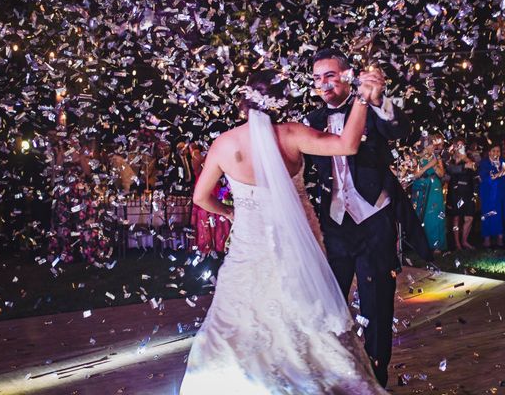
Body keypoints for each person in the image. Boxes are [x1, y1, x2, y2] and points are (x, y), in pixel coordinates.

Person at [180, 69, 387, 394]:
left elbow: (200, 197)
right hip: (296, 249)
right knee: (304, 316)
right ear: (280, 101)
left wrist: (231, 213)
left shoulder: (224, 144)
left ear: (242, 104)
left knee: (237, 319)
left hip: (248, 251)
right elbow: (348, 146)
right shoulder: (291, 134)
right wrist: (361, 97)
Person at [304, 48, 430, 388]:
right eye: (317, 78)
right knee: (329, 302)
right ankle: (332, 374)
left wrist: (379, 101)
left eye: (330, 75)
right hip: (334, 226)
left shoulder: (370, 107)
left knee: (377, 303)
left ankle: (376, 379)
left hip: (375, 220)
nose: (323, 84)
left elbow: (399, 129)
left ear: (348, 75)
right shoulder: (312, 122)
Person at [411, 135, 447, 254]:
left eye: (433, 144)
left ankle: (437, 244)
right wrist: (425, 167)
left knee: (435, 215)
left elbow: (442, 174)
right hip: (421, 186)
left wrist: (435, 165)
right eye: (430, 144)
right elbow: (415, 174)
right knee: (421, 214)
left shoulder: (437, 158)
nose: (433, 146)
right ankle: (422, 244)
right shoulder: (417, 158)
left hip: (434, 187)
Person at [478, 143, 505, 248]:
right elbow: (488, 178)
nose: (496, 153)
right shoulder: (484, 163)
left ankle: (500, 238)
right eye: (493, 151)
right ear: (489, 152)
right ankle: (487, 239)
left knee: (501, 214)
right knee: (488, 214)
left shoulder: (503, 162)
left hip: (501, 193)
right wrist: (501, 171)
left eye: (498, 151)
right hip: (488, 193)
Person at [446, 138, 476, 250]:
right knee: (456, 218)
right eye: (457, 145)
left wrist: (466, 159)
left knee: (469, 218)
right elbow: (451, 170)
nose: (459, 148)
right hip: (455, 192)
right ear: (453, 147)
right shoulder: (450, 160)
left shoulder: (469, 158)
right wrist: (464, 166)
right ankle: (457, 243)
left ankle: (464, 241)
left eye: (462, 145)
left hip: (467, 192)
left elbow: (474, 168)